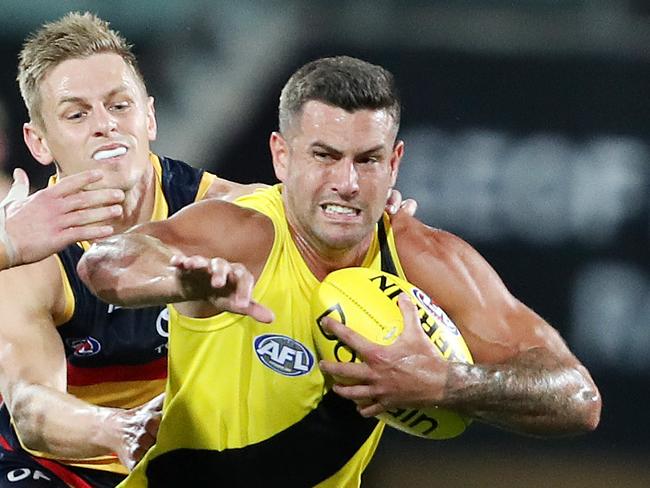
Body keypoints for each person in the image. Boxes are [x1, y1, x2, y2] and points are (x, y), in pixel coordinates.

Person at [78, 55, 601, 487]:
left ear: (394, 164)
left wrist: (448, 383)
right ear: (282, 157)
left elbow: (578, 398)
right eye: (324, 156)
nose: (347, 183)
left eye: (367, 160)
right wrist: (178, 281)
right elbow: (105, 264)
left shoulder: (418, 258)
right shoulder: (242, 234)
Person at [0, 14, 410, 488]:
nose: (105, 127)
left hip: (182, 463)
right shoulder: (30, 249)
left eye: (119, 106)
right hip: (60, 471)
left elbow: (328, 215)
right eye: (77, 114)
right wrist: (118, 428)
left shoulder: (230, 215)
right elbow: (29, 406)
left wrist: (358, 210)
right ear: (38, 141)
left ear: (149, 117)